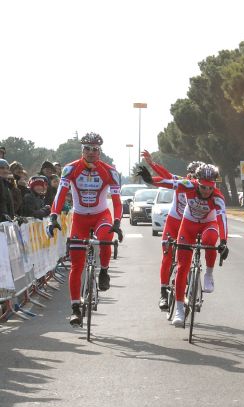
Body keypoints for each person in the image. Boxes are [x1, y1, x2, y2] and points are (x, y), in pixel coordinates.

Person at [46, 132, 123, 327]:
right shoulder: (71, 169)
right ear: (82, 150)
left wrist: (117, 222)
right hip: (79, 218)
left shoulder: (110, 171)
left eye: (94, 149)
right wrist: (53, 217)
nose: (90, 152)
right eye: (87, 149)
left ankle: (104, 271)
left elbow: (116, 200)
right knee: (77, 263)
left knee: (106, 237)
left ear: (100, 151)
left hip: (101, 216)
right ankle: (75, 309)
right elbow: (60, 194)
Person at [137, 151, 204, 310]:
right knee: (167, 254)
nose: (194, 179)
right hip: (174, 222)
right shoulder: (182, 182)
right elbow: (165, 175)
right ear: (187, 175)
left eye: (197, 177)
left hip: (191, 224)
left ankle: (192, 281)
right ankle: (163, 292)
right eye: (191, 175)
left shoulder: (204, 188)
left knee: (193, 255)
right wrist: (151, 163)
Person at [169, 164, 228, 327]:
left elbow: (222, 220)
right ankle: (179, 309)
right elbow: (168, 182)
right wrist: (149, 179)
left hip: (209, 224)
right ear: (197, 182)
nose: (206, 191)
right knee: (182, 267)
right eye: (203, 187)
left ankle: (209, 273)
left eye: (210, 187)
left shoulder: (218, 197)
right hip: (188, 224)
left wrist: (223, 241)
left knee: (210, 241)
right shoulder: (189, 185)